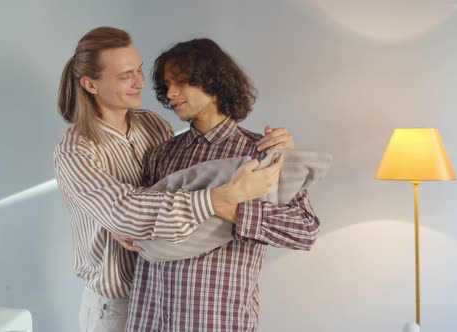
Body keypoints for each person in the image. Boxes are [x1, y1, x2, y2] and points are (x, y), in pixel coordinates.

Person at [53, 27, 295, 332]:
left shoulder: (154, 127)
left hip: (175, 301)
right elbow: (125, 212)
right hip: (115, 307)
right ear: (91, 84)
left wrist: (280, 156)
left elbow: (170, 189)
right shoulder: (76, 148)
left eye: (139, 70)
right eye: (125, 75)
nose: (140, 82)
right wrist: (223, 197)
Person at [125, 38, 321, 332]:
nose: (171, 93)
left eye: (180, 81)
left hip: (216, 321)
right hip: (152, 318)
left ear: (212, 80)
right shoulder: (161, 155)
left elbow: (305, 230)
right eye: (167, 85)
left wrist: (233, 210)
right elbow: (143, 222)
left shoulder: (261, 151)